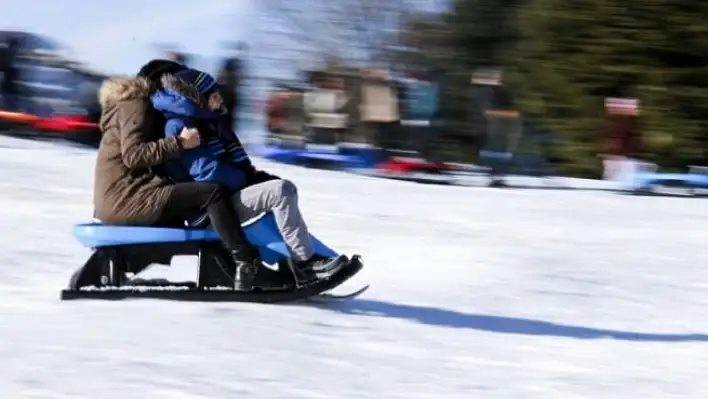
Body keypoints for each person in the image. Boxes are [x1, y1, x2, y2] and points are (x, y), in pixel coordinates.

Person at [92, 59, 299, 291]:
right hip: (126, 197)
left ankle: (127, 264)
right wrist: (181, 143)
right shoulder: (135, 104)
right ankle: (248, 265)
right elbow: (134, 156)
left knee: (192, 211)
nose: (174, 88)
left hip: (123, 196)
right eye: (170, 82)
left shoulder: (137, 106)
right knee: (212, 194)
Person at [147, 67, 348, 284]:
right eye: (213, 96)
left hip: (224, 197)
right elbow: (208, 174)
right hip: (210, 210)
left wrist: (255, 177)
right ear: (198, 98)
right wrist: (248, 180)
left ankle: (304, 259)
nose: (219, 100)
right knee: (280, 191)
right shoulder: (182, 126)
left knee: (281, 189)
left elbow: (232, 167)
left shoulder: (208, 121)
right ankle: (306, 265)